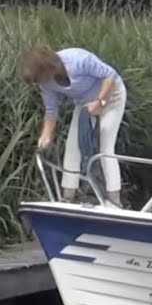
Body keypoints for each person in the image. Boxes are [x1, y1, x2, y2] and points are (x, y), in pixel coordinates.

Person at [21, 44, 127, 205]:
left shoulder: (78, 59)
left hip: (112, 95)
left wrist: (101, 101)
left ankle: (114, 199)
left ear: (48, 69)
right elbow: (51, 110)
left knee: (106, 146)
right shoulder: (45, 83)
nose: (39, 84)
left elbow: (109, 75)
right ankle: (68, 196)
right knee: (72, 147)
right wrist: (46, 135)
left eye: (40, 78)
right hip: (85, 103)